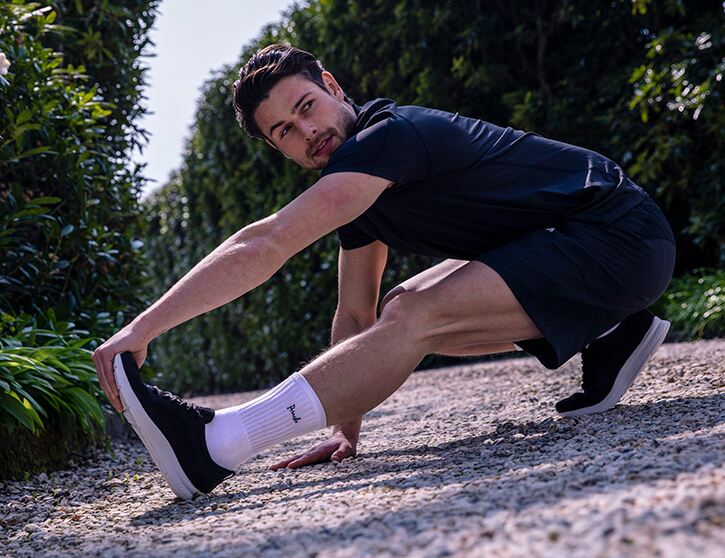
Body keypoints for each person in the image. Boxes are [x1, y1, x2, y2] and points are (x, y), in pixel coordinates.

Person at [92, 44, 676, 500]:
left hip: (619, 235)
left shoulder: (387, 139)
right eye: (284, 133)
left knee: (415, 314)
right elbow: (354, 312)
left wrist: (141, 329)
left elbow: (266, 243)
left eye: (306, 108)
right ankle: (612, 332)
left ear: (333, 88)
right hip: (581, 246)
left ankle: (218, 443)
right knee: (401, 301)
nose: (307, 133)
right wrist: (346, 427)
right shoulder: (357, 189)